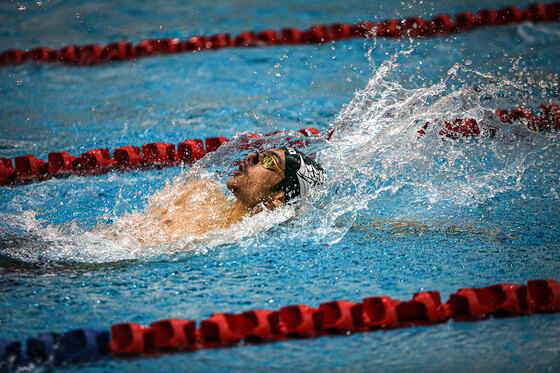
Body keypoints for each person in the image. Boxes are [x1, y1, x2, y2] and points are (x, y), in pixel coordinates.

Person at [105, 147, 325, 244]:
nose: (251, 156)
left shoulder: (242, 240)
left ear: (279, 198)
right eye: (261, 153)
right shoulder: (198, 192)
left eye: (268, 161)